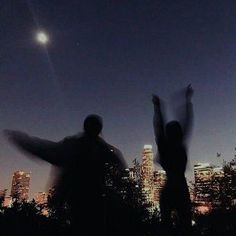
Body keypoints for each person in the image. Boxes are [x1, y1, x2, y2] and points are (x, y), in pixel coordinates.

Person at [4, 114, 127, 236]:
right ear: (99, 129)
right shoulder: (105, 150)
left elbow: (43, 149)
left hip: (76, 203)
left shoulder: (75, 146)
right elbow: (121, 169)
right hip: (94, 204)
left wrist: (20, 139)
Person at [152, 85, 194, 235]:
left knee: (166, 225)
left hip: (169, 188)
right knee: (185, 224)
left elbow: (158, 126)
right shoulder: (179, 145)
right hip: (181, 188)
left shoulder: (164, 147)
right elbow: (187, 122)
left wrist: (157, 108)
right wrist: (188, 101)